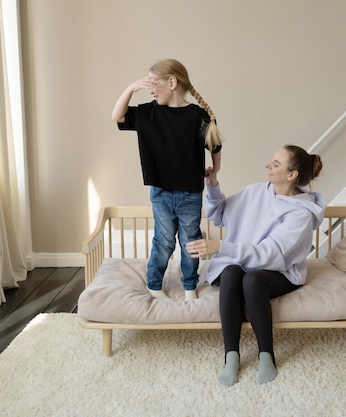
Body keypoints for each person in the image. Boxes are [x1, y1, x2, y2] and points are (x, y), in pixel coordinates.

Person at [186, 145, 324, 386]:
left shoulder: (301, 214)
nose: (268, 165)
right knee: (230, 272)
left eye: (276, 163)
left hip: (278, 271)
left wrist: (221, 247)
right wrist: (213, 184)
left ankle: (266, 355)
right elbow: (219, 213)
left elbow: (270, 255)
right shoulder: (256, 192)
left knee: (253, 279)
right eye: (272, 160)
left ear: (292, 175)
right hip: (239, 263)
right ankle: (231, 357)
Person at [111, 58, 223, 302]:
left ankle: (190, 287)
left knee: (190, 241)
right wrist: (131, 88)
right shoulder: (148, 113)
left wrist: (215, 170)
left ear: (172, 82)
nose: (150, 89)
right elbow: (117, 116)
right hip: (161, 192)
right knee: (163, 241)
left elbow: (215, 143)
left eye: (153, 83)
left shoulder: (197, 116)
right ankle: (154, 284)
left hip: (190, 194)